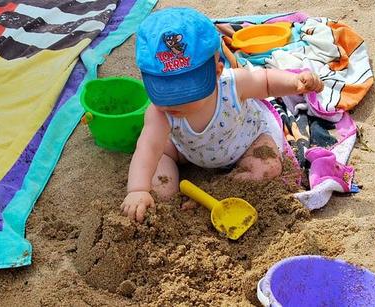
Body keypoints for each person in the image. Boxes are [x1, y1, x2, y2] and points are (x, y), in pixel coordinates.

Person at [121, 7, 323, 222]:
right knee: (158, 185)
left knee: (267, 167)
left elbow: (264, 82)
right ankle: (169, 201)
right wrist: (137, 189)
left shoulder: (233, 84)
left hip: (244, 141)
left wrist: (295, 83)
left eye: (186, 92)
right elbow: (148, 148)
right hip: (186, 150)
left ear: (217, 72)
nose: (174, 101)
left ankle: (218, 192)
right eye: (165, 92)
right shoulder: (159, 113)